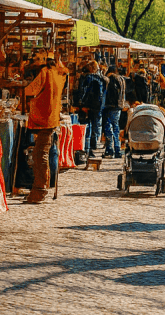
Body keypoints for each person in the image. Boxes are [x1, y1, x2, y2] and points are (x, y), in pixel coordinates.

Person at [23, 51, 69, 204]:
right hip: (51, 118)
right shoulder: (59, 73)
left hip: (44, 118)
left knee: (39, 155)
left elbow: (31, 90)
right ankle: (41, 187)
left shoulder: (45, 73)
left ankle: (40, 190)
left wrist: (25, 87)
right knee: (44, 153)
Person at [79, 61, 107, 158]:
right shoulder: (101, 78)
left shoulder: (88, 78)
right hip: (99, 106)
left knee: (88, 127)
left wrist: (83, 104)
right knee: (95, 127)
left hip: (90, 106)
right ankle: (92, 146)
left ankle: (87, 149)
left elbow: (85, 92)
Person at [102, 66, 125, 158]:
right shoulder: (121, 79)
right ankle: (117, 150)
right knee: (116, 127)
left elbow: (112, 92)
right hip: (118, 106)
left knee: (109, 128)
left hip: (111, 106)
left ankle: (110, 150)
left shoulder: (112, 79)